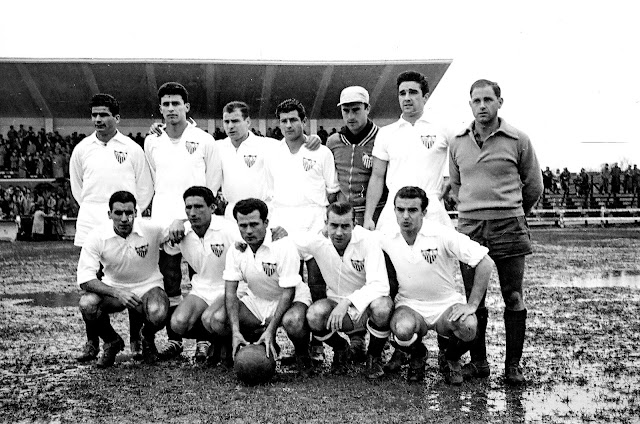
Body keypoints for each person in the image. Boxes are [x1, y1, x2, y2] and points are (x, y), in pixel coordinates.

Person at [449, 79, 543, 385]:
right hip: (470, 228)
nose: (482, 106)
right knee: (473, 299)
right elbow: (456, 186)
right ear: (470, 104)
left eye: (488, 99)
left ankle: (513, 366)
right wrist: (475, 211)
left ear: (500, 102)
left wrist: (510, 212)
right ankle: (479, 363)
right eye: (476, 101)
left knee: (513, 295)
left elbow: (534, 186)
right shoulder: (458, 141)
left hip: (509, 226)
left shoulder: (518, 140)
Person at [70, 93, 153, 362]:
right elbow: (78, 187)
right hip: (93, 218)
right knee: (91, 288)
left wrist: (127, 216)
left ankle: (135, 341)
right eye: (94, 115)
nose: (98, 119)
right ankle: (94, 341)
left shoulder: (132, 148)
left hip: (124, 217)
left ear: (116, 118)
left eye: (104, 114)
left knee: (129, 277)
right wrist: (97, 212)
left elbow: (144, 188)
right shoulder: (82, 148)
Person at [380, 186, 493, 384]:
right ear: (395, 211)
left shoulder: (442, 234)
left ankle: (450, 357)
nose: (406, 216)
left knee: (469, 326)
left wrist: (472, 304)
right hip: (410, 305)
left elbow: (485, 262)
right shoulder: (386, 236)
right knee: (402, 328)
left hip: (445, 306)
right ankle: (418, 354)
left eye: (413, 210)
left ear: (424, 212)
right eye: (400, 210)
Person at [144, 82, 219, 360]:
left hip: (195, 220)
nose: (171, 109)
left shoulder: (204, 139)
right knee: (170, 280)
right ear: (160, 108)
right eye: (166, 104)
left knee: (202, 279)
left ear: (187, 107)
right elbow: (153, 179)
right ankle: (175, 340)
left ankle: (203, 339)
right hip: (164, 220)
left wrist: (194, 215)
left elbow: (211, 182)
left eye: (176, 103)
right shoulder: (152, 141)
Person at [290, 201, 392, 379]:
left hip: (366, 307)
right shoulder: (318, 241)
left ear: (355, 224)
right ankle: (341, 348)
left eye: (345, 226)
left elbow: (380, 285)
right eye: (334, 225)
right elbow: (288, 242)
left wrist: (347, 302)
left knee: (382, 307)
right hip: (336, 306)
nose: (339, 232)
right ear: (326, 224)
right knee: (314, 315)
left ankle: (373, 356)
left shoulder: (368, 240)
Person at [220, 198, 314, 376]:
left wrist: (272, 329)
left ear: (266, 223)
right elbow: (230, 292)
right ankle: (249, 345)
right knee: (216, 317)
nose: (248, 231)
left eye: (254, 224)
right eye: (243, 225)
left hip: (291, 299)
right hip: (258, 300)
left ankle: (302, 354)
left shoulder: (283, 245)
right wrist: (235, 331)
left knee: (292, 322)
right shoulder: (236, 249)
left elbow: (288, 292)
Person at [76, 191, 169, 368]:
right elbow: (85, 279)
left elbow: (178, 231)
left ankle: (146, 338)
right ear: (109, 214)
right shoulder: (96, 236)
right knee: (87, 304)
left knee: (159, 312)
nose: (124, 219)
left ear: (136, 212)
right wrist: (117, 292)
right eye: (118, 213)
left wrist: (180, 224)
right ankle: (111, 341)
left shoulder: (152, 229)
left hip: (148, 286)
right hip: (115, 288)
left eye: (129, 213)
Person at [363, 70, 452, 234]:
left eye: (413, 92)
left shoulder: (442, 129)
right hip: (395, 210)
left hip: (431, 209)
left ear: (425, 97)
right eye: (402, 93)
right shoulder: (386, 133)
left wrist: (450, 179)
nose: (407, 98)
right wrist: (368, 216)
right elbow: (377, 176)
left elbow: (461, 158)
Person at [164, 186, 241, 364]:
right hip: (202, 288)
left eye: (199, 207)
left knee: (211, 318)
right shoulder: (181, 232)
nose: (193, 213)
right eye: (188, 208)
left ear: (213, 208)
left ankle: (226, 343)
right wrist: (177, 221)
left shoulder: (228, 229)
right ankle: (214, 340)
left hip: (229, 288)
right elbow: (156, 238)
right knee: (178, 323)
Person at [326, 86, 385, 227]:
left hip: (376, 214)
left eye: (356, 110)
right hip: (343, 216)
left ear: (367, 109)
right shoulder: (333, 141)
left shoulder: (382, 137)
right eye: (345, 111)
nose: (351, 116)